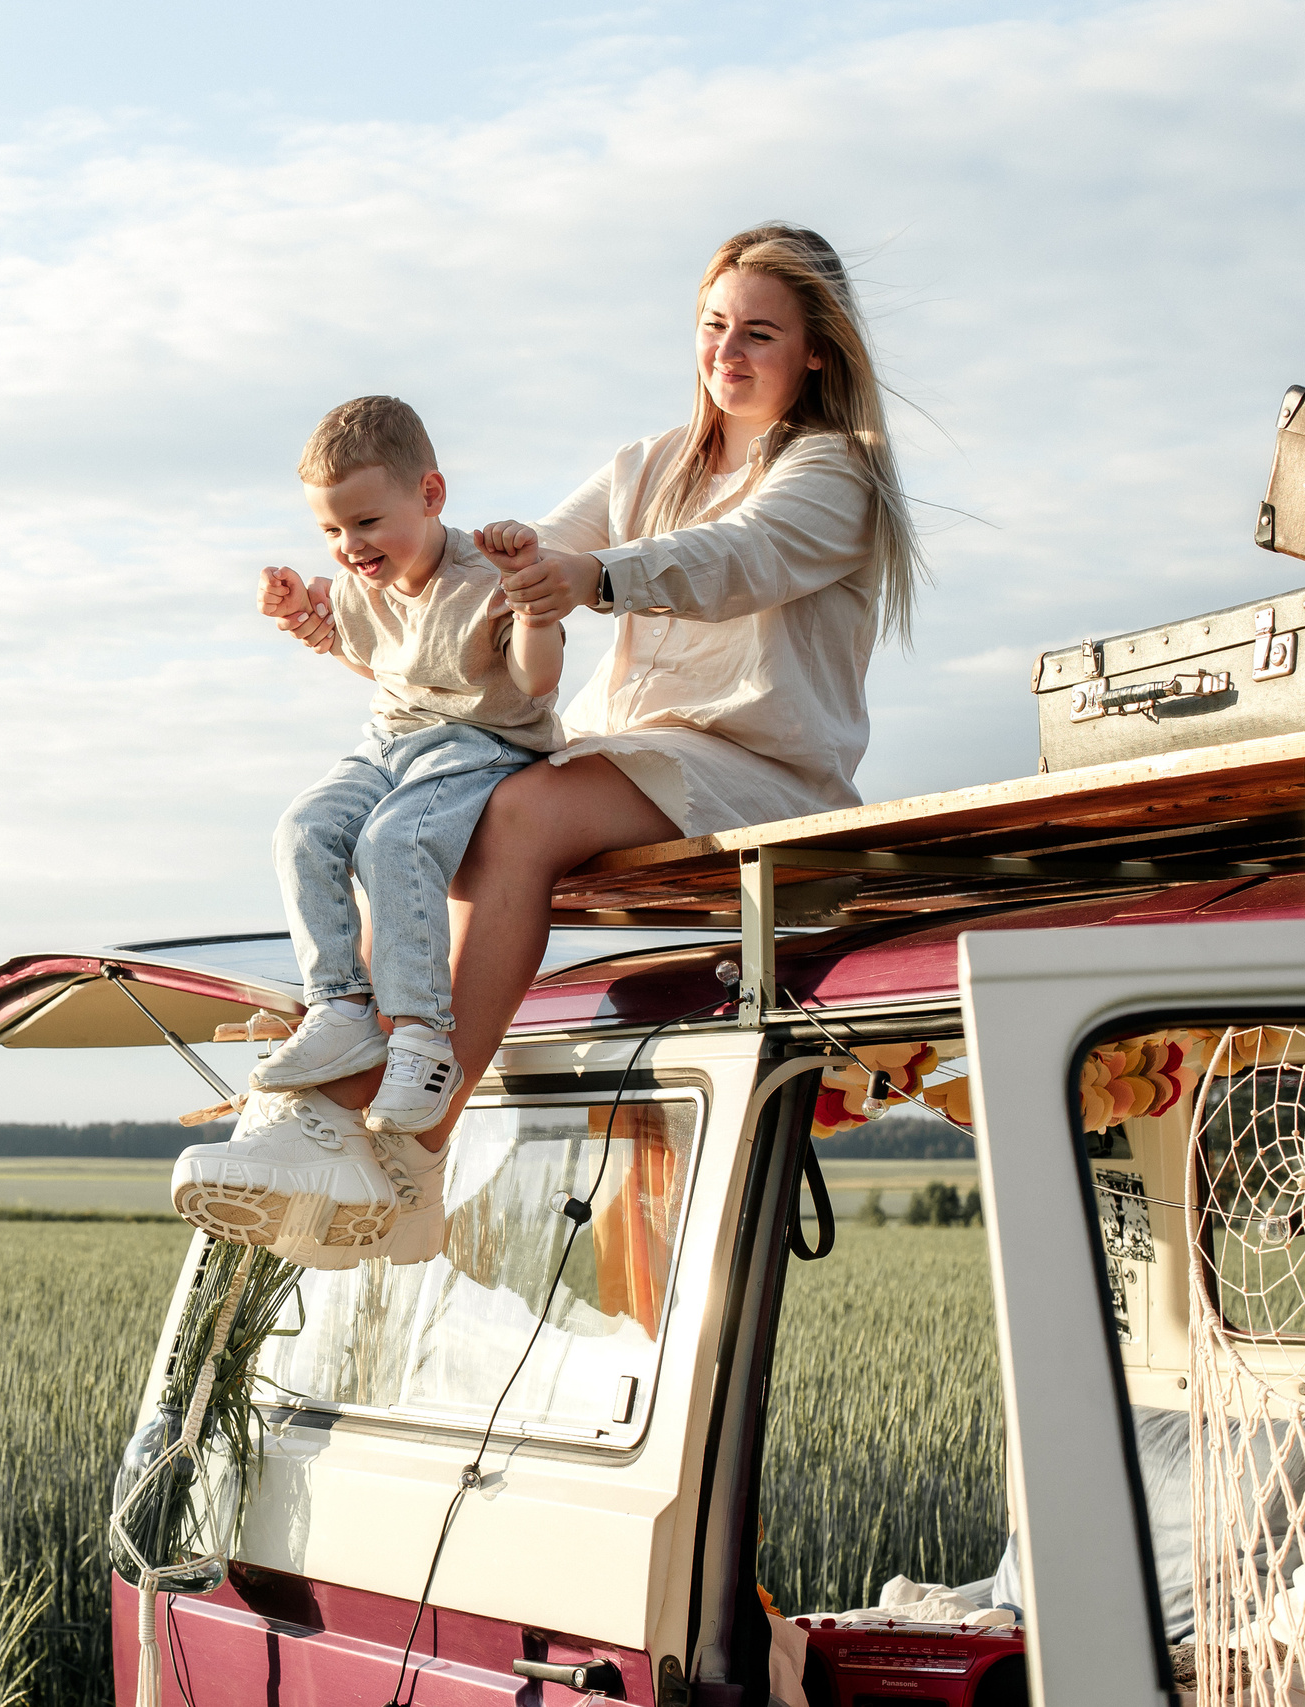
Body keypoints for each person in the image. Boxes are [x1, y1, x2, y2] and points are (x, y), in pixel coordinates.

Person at [231, 222, 923, 1266]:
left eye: (759, 336)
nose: (727, 354)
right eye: (713, 327)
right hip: (627, 746)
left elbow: (732, 560)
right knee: (418, 807)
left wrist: (593, 579)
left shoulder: (835, 475)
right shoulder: (647, 462)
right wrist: (450, 571)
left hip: (756, 763)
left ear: (815, 350)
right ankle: (342, 1093)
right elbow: (535, 555)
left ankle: (413, 1138)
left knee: (514, 808)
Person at [170, 397, 564, 1267]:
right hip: (388, 740)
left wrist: (536, 605)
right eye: (330, 530)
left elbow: (534, 686)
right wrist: (302, 618)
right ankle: (341, 1008)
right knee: (304, 828)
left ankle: (423, 1040)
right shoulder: (363, 583)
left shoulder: (485, 575)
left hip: (482, 744)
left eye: (365, 521)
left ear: (430, 493)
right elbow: (365, 654)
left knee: (392, 841)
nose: (348, 546)